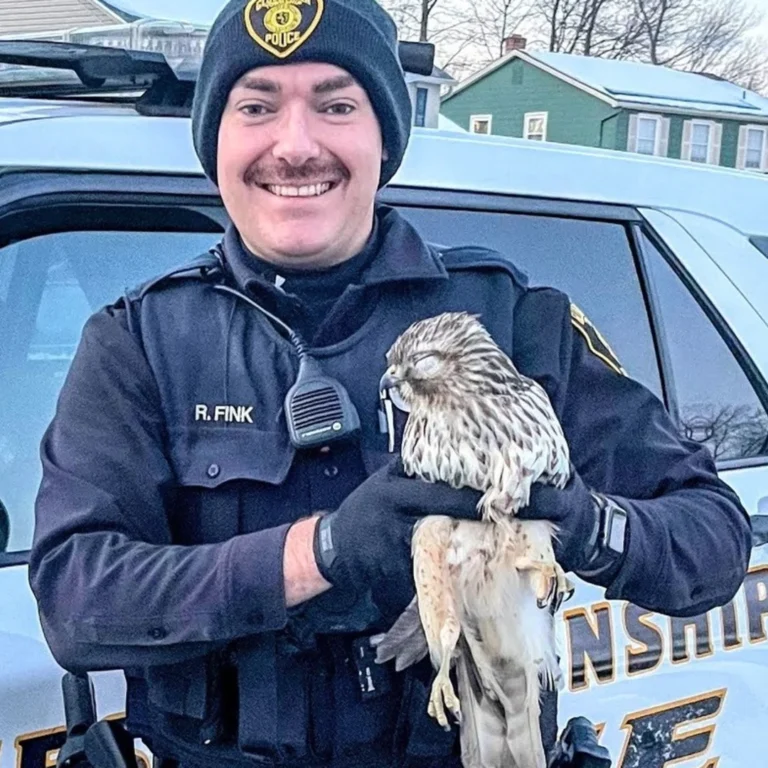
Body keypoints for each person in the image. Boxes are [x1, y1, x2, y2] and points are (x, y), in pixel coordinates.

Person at [29, 0, 752, 766]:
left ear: (384, 137)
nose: (295, 145)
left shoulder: (509, 318)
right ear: (217, 140)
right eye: (256, 106)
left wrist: (582, 520)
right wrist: (322, 552)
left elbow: (712, 541)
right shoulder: (138, 342)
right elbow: (76, 602)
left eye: (337, 104)